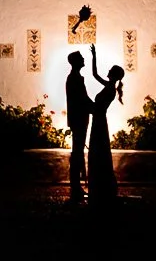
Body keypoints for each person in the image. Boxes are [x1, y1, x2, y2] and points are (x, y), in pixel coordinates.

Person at [87, 43, 124, 204]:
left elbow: (98, 107)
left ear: (114, 75)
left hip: (99, 121)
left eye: (110, 70)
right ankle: (100, 185)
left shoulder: (110, 89)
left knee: (98, 151)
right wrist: (94, 56)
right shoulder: (110, 87)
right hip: (99, 120)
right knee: (99, 151)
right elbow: (95, 74)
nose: (107, 71)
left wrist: (86, 106)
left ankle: (100, 186)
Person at [65, 50, 92, 201]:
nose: (83, 60)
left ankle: (76, 184)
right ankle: (75, 185)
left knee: (78, 151)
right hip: (79, 119)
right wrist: (95, 108)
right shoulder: (74, 78)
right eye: (81, 58)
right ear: (76, 61)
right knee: (77, 152)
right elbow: (82, 99)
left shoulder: (74, 77)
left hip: (79, 119)